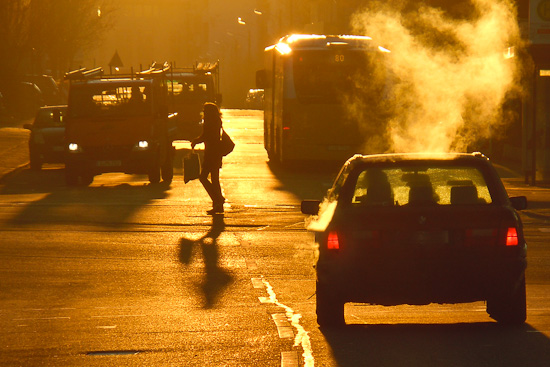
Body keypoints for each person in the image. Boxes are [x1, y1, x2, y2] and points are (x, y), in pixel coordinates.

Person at [191, 102, 225, 214]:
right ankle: (218, 204)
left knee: (203, 177)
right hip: (216, 153)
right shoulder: (217, 121)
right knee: (215, 179)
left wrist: (196, 141)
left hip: (211, 153)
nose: (203, 112)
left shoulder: (209, 122)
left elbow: (206, 136)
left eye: (205, 110)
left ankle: (218, 199)